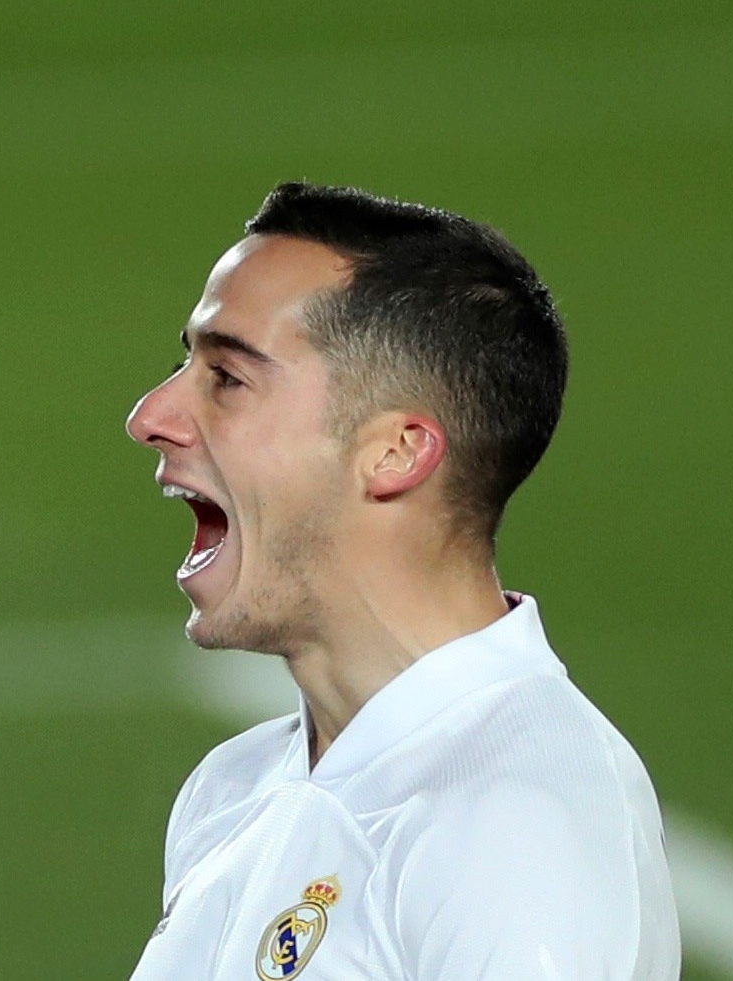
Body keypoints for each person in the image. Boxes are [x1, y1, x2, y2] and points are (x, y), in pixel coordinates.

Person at [122, 182, 678, 979]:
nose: (152, 414)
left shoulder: (521, 827)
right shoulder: (234, 788)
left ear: (396, 453)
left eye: (228, 377)